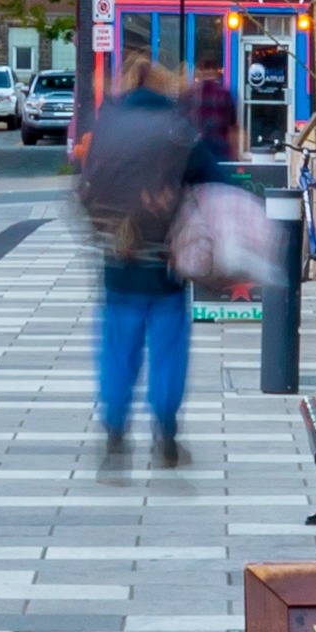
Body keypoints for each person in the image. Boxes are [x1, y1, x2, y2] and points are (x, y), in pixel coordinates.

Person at [75, 71, 207, 471]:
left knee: (117, 350)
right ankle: (166, 432)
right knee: (168, 351)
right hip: (166, 265)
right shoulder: (178, 128)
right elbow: (213, 176)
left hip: (119, 259)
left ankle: (115, 431)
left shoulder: (108, 126)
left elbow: (86, 190)